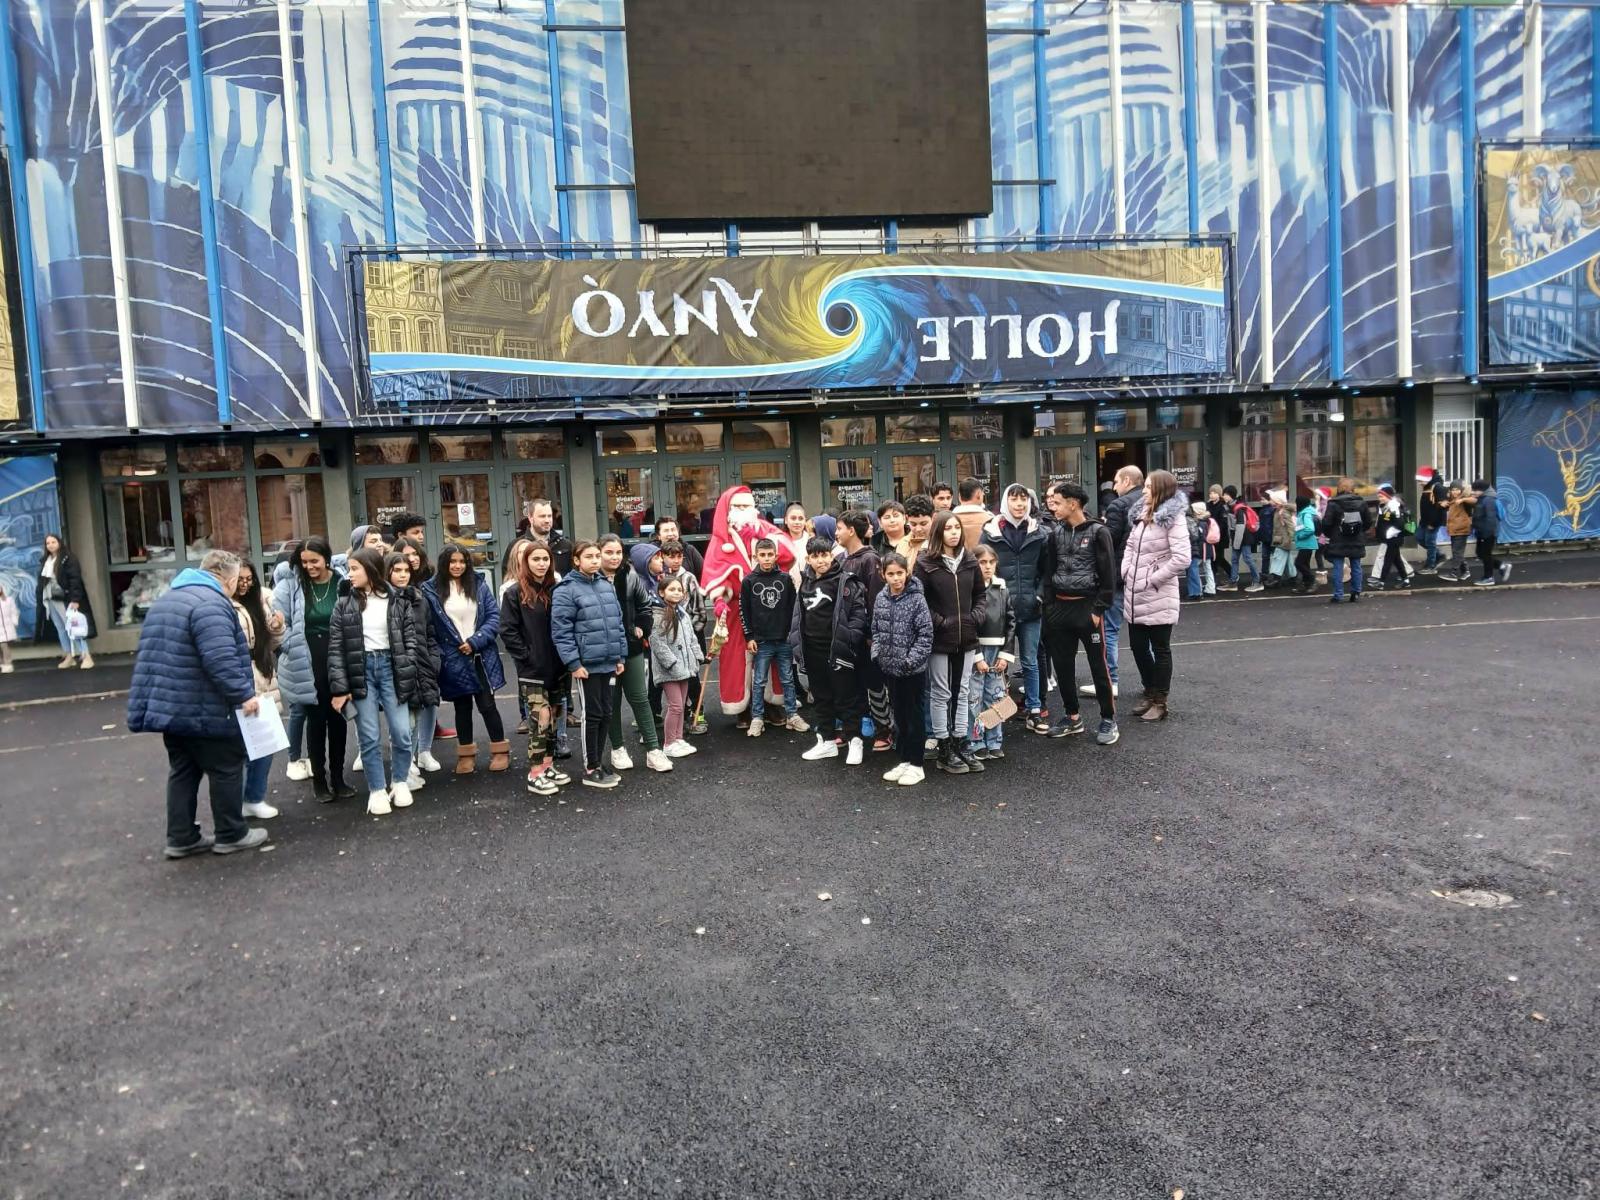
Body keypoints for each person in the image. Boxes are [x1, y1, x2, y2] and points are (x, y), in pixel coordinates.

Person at [128, 549, 268, 858]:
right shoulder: (212, 605)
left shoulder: (167, 601)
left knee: (183, 770)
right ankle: (231, 833)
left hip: (171, 708)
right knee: (226, 768)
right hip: (206, 708)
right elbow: (220, 657)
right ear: (229, 579)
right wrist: (243, 695)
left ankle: (181, 837)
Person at [328, 547, 419, 815]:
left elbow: (411, 639)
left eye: (354, 568)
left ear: (371, 569)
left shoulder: (398, 601)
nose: (349, 574)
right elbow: (336, 649)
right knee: (369, 736)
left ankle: (399, 782)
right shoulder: (343, 604)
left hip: (392, 668)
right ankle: (377, 789)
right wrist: (340, 688)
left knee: (402, 733)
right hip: (361, 671)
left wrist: (407, 664)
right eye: (349, 568)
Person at [699, 486, 795, 722]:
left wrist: (763, 539)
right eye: (738, 506)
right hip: (736, 608)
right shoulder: (721, 539)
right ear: (729, 510)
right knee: (737, 659)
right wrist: (719, 600)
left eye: (746, 506)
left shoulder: (764, 530)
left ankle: (770, 704)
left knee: (770, 655)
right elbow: (715, 570)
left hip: (767, 605)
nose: (743, 510)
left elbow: (788, 553)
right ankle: (742, 707)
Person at [272, 536, 355, 803]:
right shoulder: (290, 585)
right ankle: (319, 780)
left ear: (326, 559)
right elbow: (278, 624)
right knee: (316, 721)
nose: (309, 567)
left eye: (314, 561)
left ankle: (338, 778)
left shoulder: (342, 581)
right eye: (304, 562)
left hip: (337, 655)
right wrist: (289, 645)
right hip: (306, 659)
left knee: (338, 718)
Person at [1041, 482, 1119, 744]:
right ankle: (1072, 717)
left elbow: (1109, 575)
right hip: (1059, 609)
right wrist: (1050, 607)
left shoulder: (1099, 532)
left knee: (1098, 666)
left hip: (1088, 609)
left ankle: (1108, 719)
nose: (1053, 507)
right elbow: (1049, 573)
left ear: (1073, 504)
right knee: (1063, 666)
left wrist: (1098, 609)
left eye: (1058, 502)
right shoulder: (1055, 534)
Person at [423, 545, 508, 773]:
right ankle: (466, 755)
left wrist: (475, 641)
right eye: (453, 561)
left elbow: (493, 617)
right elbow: (430, 626)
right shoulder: (430, 590)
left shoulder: (478, 585)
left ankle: (500, 751)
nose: (458, 566)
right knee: (462, 707)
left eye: (462, 561)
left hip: (480, 654)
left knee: (487, 705)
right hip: (453, 658)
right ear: (444, 563)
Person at [550, 540, 627, 789]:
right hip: (587, 664)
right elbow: (561, 631)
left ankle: (599, 761)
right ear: (576, 560)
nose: (595, 561)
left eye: (596, 556)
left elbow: (617, 623)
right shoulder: (566, 589)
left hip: (608, 660)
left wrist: (620, 656)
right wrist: (573, 663)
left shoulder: (605, 585)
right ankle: (591, 766)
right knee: (592, 714)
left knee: (606, 713)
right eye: (589, 557)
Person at [500, 537, 571, 796]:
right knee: (540, 718)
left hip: (558, 667)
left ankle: (548, 765)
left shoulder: (558, 590)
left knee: (554, 717)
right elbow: (508, 631)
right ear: (525, 562)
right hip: (532, 671)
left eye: (545, 559)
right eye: (535, 559)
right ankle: (535, 772)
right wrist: (527, 657)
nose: (541, 564)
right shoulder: (514, 593)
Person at [915, 510, 982, 774]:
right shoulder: (925, 563)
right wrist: (941, 622)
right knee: (941, 692)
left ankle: (961, 742)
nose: (953, 533)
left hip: (967, 637)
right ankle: (944, 746)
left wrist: (974, 617)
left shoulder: (970, 560)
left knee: (963, 691)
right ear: (938, 532)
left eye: (957, 528)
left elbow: (981, 594)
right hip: (940, 638)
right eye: (948, 528)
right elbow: (920, 599)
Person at [1121, 470, 1190, 723]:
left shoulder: (1173, 518)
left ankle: (1160, 700)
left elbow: (1182, 558)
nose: (1144, 490)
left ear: (1161, 489)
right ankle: (1150, 691)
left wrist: (1154, 578)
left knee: (1160, 649)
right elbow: (1131, 546)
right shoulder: (1141, 514)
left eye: (1149, 486)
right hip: (1135, 593)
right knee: (1138, 646)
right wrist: (1126, 570)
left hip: (1158, 594)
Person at [794, 535, 869, 763]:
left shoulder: (845, 581)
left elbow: (858, 614)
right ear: (808, 559)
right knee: (821, 698)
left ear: (832, 555)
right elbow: (799, 615)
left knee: (846, 698)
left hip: (839, 651)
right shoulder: (805, 582)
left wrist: (849, 640)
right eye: (815, 556)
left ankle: (855, 741)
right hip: (812, 650)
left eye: (824, 555)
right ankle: (826, 741)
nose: (821, 561)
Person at [980, 483, 1049, 732]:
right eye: (1014, 499)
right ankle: (996, 713)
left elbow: (1047, 571)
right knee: (997, 662)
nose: (1019, 504)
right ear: (1005, 502)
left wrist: (1039, 596)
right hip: (1000, 611)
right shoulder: (990, 531)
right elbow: (981, 565)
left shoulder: (1039, 532)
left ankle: (1034, 710)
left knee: (1030, 661)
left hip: (1031, 609)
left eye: (1023, 499)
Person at [601, 535, 669, 772]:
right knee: (612, 701)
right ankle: (617, 748)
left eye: (618, 552)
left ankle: (653, 749)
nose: (614, 557)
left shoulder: (629, 575)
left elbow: (644, 605)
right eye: (609, 552)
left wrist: (641, 626)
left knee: (640, 697)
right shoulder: (591, 579)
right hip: (603, 651)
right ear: (599, 553)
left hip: (631, 646)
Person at [871, 553, 933, 786]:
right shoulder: (881, 598)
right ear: (883, 575)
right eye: (891, 574)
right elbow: (876, 629)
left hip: (912, 671)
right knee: (899, 717)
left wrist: (909, 661)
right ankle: (905, 760)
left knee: (914, 717)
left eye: (900, 573)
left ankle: (917, 764)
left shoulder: (917, 599)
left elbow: (925, 635)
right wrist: (878, 653)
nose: (896, 578)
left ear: (907, 573)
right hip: (889, 668)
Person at [231, 560, 284, 820]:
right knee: (240, 746)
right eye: (240, 579)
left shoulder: (259, 601)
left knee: (265, 742)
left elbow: (272, 644)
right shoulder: (223, 605)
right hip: (240, 677)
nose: (244, 584)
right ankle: (238, 801)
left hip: (262, 674)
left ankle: (254, 797)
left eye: (249, 579)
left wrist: (276, 628)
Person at [740, 537, 805, 737]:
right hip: (761, 641)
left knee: (788, 679)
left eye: (770, 555)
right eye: (763, 555)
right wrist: (749, 637)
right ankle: (757, 718)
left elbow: (794, 608)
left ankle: (792, 715)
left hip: (784, 639)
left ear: (776, 556)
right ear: (756, 557)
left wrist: (792, 634)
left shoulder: (785, 579)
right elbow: (744, 611)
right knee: (759, 681)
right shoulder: (749, 581)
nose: (767, 558)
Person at [1088, 466, 1143, 701]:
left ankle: (1111, 681)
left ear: (1127, 481)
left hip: (1119, 575)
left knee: (1109, 630)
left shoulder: (1118, 505)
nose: (1115, 486)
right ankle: (1151, 682)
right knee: (1146, 633)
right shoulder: (1151, 501)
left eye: (1117, 482)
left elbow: (1108, 541)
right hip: (1144, 576)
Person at [393, 537, 445, 772]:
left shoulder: (426, 586)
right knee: (407, 711)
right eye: (406, 555)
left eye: (415, 554)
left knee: (429, 700)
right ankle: (408, 758)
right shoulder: (392, 593)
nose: (412, 559)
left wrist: (434, 658)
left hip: (426, 655)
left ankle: (424, 751)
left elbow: (430, 628)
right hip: (403, 660)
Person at [384, 551, 435, 792]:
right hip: (395, 669)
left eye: (406, 570)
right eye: (397, 570)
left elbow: (430, 632)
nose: (403, 575)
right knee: (402, 726)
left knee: (415, 718)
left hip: (420, 666)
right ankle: (401, 773)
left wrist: (434, 660)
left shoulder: (419, 599)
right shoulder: (384, 600)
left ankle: (409, 766)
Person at [966, 544, 1016, 760]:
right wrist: (977, 657)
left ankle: (994, 740)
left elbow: (1011, 622)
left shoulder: (1002, 588)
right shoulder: (968, 590)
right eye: (982, 562)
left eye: (991, 562)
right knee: (974, 698)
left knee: (995, 697)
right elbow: (968, 625)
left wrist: (1005, 654)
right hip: (974, 651)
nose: (987, 567)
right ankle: (975, 741)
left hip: (997, 651)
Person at [651, 575, 706, 760]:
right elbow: (658, 644)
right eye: (671, 589)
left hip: (685, 667)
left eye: (679, 590)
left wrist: (698, 656)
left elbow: (691, 638)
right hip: (669, 670)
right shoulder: (658, 615)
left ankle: (678, 738)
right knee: (675, 706)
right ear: (661, 592)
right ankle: (669, 743)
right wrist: (673, 663)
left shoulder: (682, 613)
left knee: (681, 705)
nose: (676, 593)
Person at [35, 533, 96, 669]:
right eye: (48, 543)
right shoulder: (46, 560)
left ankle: (86, 656)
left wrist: (75, 599)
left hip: (65, 599)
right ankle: (69, 656)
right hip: (50, 598)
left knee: (74, 627)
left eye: (53, 542)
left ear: (59, 542)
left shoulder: (68, 558)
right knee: (61, 628)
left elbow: (75, 579)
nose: (50, 545)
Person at [1321, 477, 1372, 603]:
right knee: (1356, 565)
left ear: (1339, 488)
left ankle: (1338, 594)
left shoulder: (1333, 504)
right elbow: (1368, 521)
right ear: (1352, 488)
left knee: (1338, 567)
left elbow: (1326, 523)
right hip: (1356, 538)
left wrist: (1330, 534)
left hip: (1338, 539)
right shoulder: (1361, 503)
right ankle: (1356, 592)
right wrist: (1360, 531)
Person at [504, 497, 574, 577]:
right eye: (542, 516)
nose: (547, 520)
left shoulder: (565, 545)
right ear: (530, 518)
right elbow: (508, 575)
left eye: (549, 516)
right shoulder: (517, 546)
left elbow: (572, 575)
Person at [1468, 478, 1510, 586]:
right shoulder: (1483, 498)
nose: (1473, 492)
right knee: (1480, 553)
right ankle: (1501, 566)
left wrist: (1486, 533)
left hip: (1487, 533)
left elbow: (1490, 518)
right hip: (1482, 532)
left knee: (1485, 554)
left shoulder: (1488, 500)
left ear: (1483, 490)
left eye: (1475, 490)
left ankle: (1489, 577)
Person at [1371, 484, 1414, 590]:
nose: (1379, 498)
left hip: (1394, 539)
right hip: (1389, 539)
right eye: (1379, 496)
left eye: (1382, 496)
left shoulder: (1393, 507)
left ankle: (1381, 582)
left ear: (1388, 496)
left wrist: (1389, 533)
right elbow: (1383, 522)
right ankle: (1406, 580)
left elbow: (1399, 524)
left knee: (1388, 560)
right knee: (1397, 560)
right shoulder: (1385, 507)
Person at [1223, 485, 1263, 592]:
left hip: (1244, 538)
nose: (1224, 496)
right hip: (1239, 538)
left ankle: (1257, 581)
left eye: (1226, 494)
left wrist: (1235, 543)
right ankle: (1233, 582)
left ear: (1231, 495)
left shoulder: (1239, 509)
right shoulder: (1230, 507)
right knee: (1235, 559)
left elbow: (1240, 527)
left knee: (1247, 559)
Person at [1416, 468, 1450, 571]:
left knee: (1430, 542)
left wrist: (1433, 523)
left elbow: (1443, 507)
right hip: (1424, 520)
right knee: (1419, 538)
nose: (1420, 483)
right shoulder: (1427, 486)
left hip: (1433, 521)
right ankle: (1439, 555)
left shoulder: (1438, 488)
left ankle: (1430, 565)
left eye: (1421, 481)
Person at [1185, 500, 1219, 600]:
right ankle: (1211, 588)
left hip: (1201, 549)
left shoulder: (1200, 522)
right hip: (1209, 548)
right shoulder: (1209, 520)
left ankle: (1197, 591)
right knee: (1208, 568)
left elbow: (1198, 536)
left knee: (1194, 569)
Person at [1441, 483, 1474, 582]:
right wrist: (1442, 503)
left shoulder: (1464, 499)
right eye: (1453, 489)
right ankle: (1465, 571)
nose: (1455, 492)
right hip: (1454, 530)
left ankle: (1454, 573)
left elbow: (1474, 500)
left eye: (1457, 489)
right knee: (1457, 552)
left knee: (1457, 552)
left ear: (1461, 490)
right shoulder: (1452, 500)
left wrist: (1463, 499)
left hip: (1462, 529)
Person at [1205, 483, 1233, 582]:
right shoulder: (1208, 505)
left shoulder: (1223, 506)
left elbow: (1223, 523)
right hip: (1210, 536)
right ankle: (1212, 581)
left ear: (1219, 494)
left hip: (1220, 537)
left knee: (1219, 558)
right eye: (1210, 493)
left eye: (1214, 493)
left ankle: (1233, 575)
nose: (1212, 495)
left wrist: (1215, 531)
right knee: (1214, 558)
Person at [952, 478, 989, 551]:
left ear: (959, 496)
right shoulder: (990, 520)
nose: (983, 495)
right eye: (982, 493)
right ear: (978, 494)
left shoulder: (947, 520)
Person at [1293, 495, 1320, 593]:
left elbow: (1310, 529)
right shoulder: (1305, 513)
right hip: (1306, 543)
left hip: (1306, 543)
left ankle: (1313, 581)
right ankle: (1306, 585)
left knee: (1299, 563)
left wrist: (1300, 536)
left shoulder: (1305, 514)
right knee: (1305, 564)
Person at [777, 502, 812, 577]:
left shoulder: (811, 540)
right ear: (786, 520)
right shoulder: (778, 541)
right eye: (793, 518)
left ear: (805, 521)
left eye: (801, 519)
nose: (797, 522)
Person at [897, 493, 934, 561]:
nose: (918, 529)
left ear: (933, 518)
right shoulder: (903, 544)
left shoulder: (942, 542)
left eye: (923, 524)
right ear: (907, 518)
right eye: (913, 524)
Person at [0, 577, 19, 672]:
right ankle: (2, 663)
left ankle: (8, 664)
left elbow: (14, 612)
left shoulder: (8, 600)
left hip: (7, 629)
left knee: (4, 646)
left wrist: (14, 622)